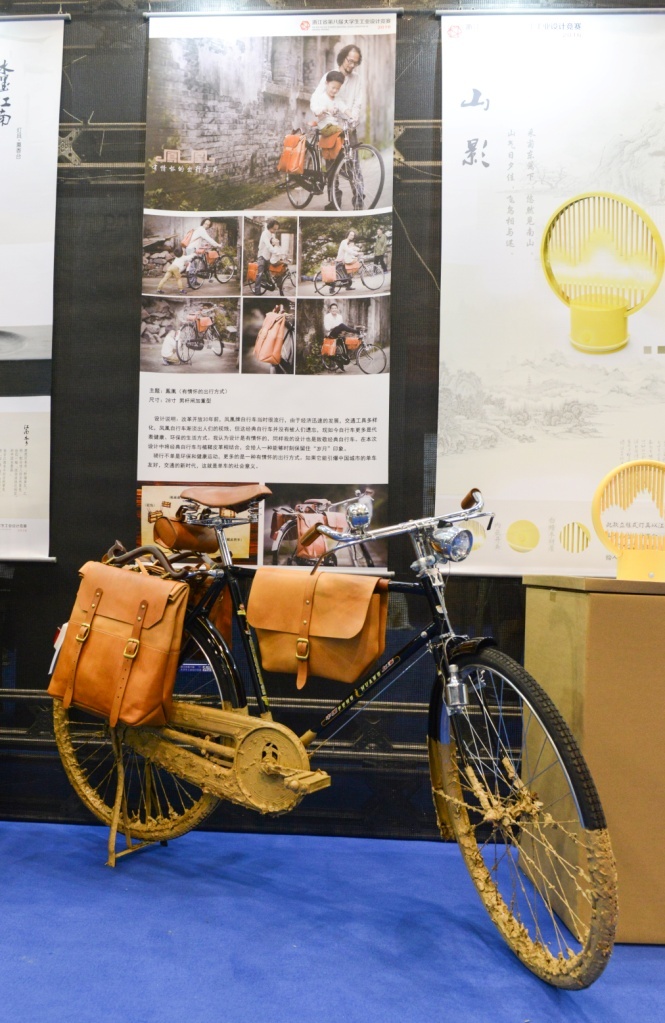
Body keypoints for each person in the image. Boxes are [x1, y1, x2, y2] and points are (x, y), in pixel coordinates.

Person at [310, 45, 364, 211]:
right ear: (342, 58)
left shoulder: (357, 79)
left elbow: (357, 102)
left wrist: (353, 118)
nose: (352, 65)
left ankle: (359, 200)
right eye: (349, 61)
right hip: (330, 125)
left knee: (354, 164)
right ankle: (334, 201)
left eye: (355, 62)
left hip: (348, 126)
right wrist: (320, 110)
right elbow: (317, 96)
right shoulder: (330, 76)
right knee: (331, 164)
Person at [323, 302, 357, 370]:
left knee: (345, 344)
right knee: (341, 325)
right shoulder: (327, 316)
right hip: (331, 333)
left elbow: (341, 328)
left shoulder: (339, 316)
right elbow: (327, 327)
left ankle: (342, 361)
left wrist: (341, 330)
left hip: (338, 334)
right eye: (332, 308)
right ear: (330, 310)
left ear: (337, 309)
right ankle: (356, 331)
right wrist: (336, 327)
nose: (334, 309)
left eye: (335, 308)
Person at [256, 218, 280, 294]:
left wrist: (278, 247)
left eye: (276, 229)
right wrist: (276, 251)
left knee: (268, 273)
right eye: (274, 229)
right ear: (270, 227)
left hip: (268, 257)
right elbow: (268, 245)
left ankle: (270, 286)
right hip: (262, 256)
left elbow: (275, 243)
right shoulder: (265, 234)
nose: (275, 231)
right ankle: (257, 291)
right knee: (260, 274)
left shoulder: (272, 234)